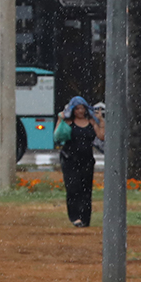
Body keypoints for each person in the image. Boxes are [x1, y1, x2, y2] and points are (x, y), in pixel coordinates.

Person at [53, 96, 105, 228]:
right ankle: (75, 217)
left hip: (87, 160)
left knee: (86, 190)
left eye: (82, 108)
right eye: (77, 108)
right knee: (72, 188)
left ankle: (85, 218)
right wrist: (60, 119)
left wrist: (100, 120)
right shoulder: (69, 122)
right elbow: (57, 136)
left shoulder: (91, 121)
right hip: (70, 159)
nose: (80, 111)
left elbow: (102, 136)